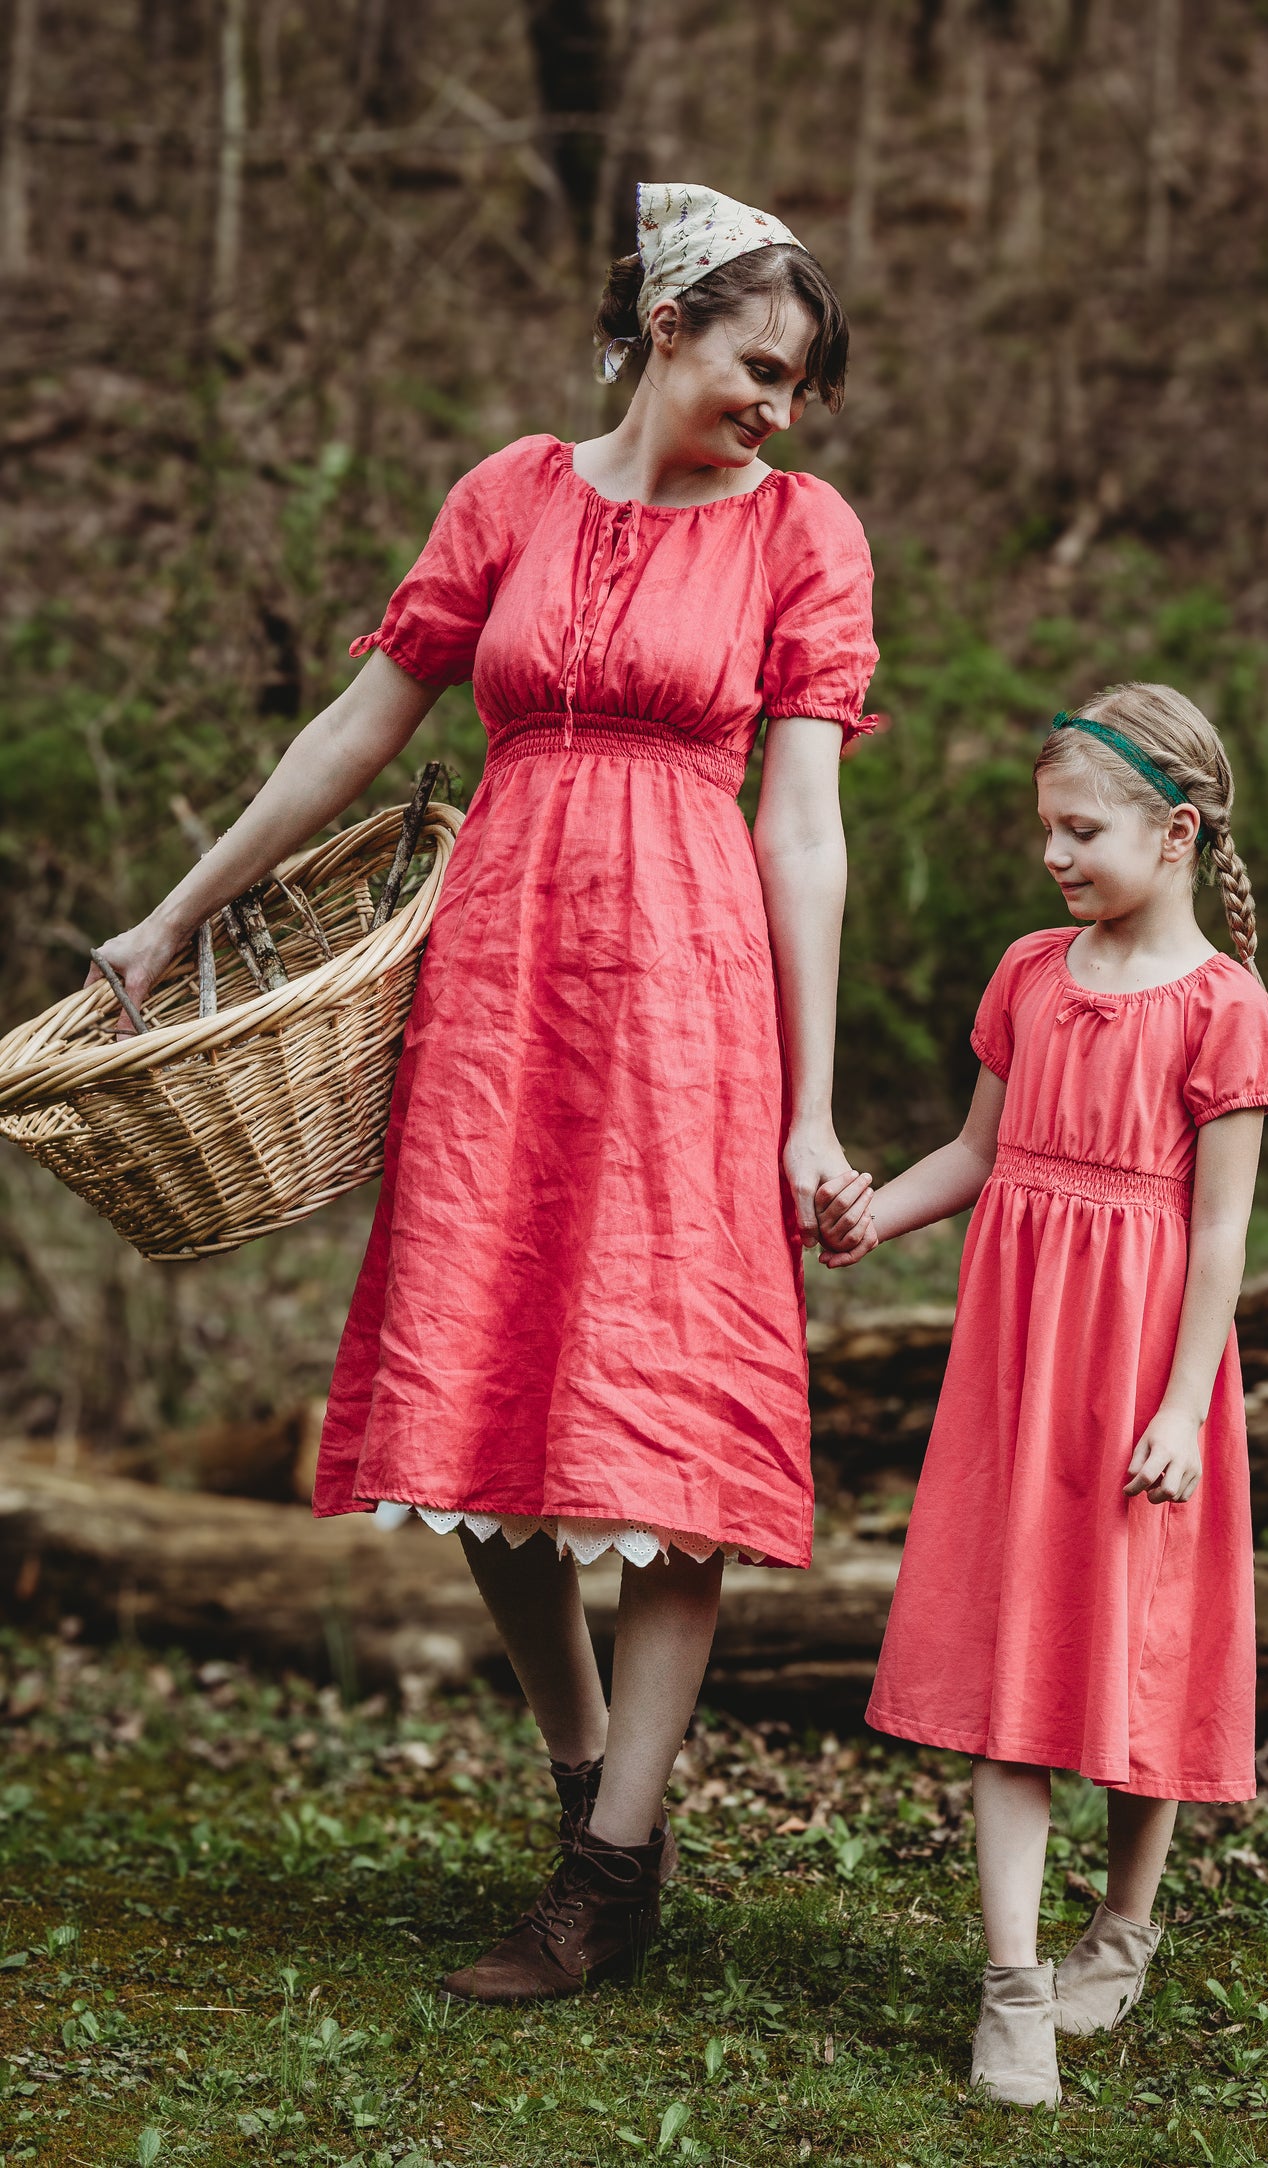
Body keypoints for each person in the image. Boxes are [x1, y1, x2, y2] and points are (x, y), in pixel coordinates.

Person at [89, 181, 878, 2002]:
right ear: (667, 322)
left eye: (803, 387)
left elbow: (805, 824)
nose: (780, 407)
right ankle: (595, 1781)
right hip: (501, 980)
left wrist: (811, 1103)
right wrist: (166, 920)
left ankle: (603, 1879)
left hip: (688, 992)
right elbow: (356, 731)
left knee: (678, 1413)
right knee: (482, 1399)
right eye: (760, 365)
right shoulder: (508, 493)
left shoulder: (800, 534)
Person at [817, 684, 1268, 2107]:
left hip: (1143, 1372)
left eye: (1079, 829)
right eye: (1045, 831)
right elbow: (976, 1150)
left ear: (1175, 829)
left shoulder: (1223, 1009)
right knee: (1013, 1656)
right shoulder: (1028, 971)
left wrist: (1181, 1407)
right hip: (1017, 1368)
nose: (1054, 857)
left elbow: (1217, 1235)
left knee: (1139, 1648)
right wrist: (868, 1219)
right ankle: (1009, 1990)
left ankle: (1123, 1925)